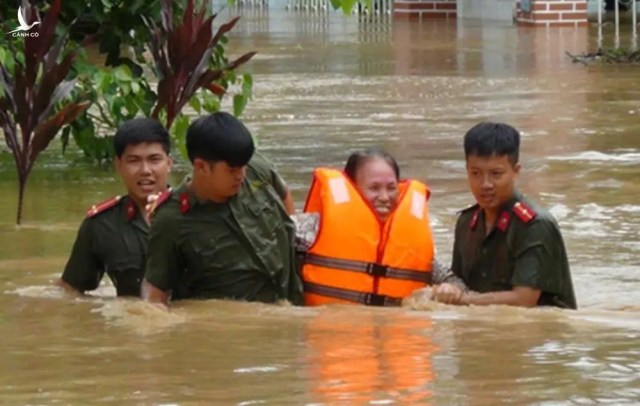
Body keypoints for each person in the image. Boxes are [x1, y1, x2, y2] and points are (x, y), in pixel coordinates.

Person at [141, 112, 302, 306]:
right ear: (201, 167)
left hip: (291, 303)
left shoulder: (254, 167)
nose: (241, 176)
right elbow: (156, 293)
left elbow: (284, 193)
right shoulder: (171, 220)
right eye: (232, 170)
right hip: (240, 328)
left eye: (243, 167)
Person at [294, 148, 467, 307]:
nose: (384, 197)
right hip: (333, 333)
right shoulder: (312, 228)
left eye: (391, 188)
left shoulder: (412, 239)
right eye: (374, 188)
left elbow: (453, 281)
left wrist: (451, 289)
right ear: (353, 188)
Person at [432, 122, 577, 309]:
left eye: (496, 174)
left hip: (540, 335)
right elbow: (459, 283)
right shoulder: (467, 223)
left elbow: (524, 300)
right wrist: (449, 290)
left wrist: (463, 300)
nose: (485, 184)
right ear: (467, 171)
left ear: (515, 171)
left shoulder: (535, 225)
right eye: (476, 173)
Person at [57, 118, 173, 296]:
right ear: (118, 166)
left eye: (154, 160)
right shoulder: (101, 225)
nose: (145, 170)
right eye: (134, 161)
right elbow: (69, 292)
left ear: (169, 164)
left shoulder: (196, 214)